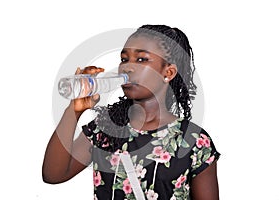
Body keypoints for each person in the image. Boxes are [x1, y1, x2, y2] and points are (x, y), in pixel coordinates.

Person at [42, 25, 220, 200]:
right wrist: (74, 110)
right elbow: (53, 175)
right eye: (124, 59)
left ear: (169, 72)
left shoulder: (195, 141)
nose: (127, 67)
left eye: (142, 59)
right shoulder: (104, 129)